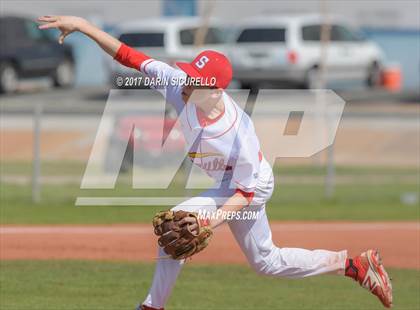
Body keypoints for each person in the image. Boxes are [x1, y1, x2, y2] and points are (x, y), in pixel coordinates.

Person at [38, 15, 393, 310]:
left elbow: (244, 192)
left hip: (250, 188)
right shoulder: (178, 85)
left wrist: (210, 223)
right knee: (263, 260)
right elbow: (129, 56)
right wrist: (83, 26)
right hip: (228, 185)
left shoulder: (239, 133)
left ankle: (150, 307)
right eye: (190, 75)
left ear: (217, 90)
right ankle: (354, 265)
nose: (188, 82)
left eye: (197, 80)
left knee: (183, 224)